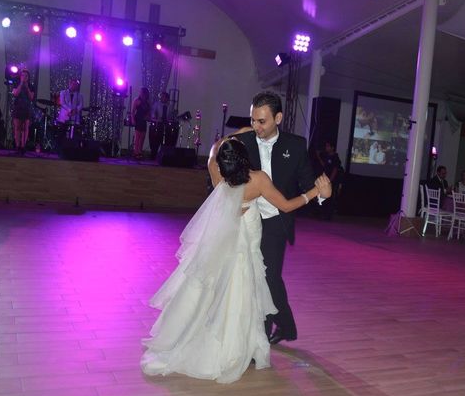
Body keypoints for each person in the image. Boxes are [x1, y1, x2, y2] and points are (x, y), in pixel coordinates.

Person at [141, 137, 331, 383]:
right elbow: (285, 206)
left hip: (226, 247)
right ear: (244, 159)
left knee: (219, 290)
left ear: (223, 163)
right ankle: (239, 344)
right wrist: (316, 192)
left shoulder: (218, 176)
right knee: (243, 291)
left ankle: (216, 337)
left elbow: (211, 153)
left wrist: (223, 142)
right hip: (248, 246)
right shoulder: (258, 180)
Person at [235, 91, 319, 345]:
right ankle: (281, 329)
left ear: (278, 118)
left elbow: (307, 182)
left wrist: (321, 194)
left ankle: (260, 339)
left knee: (268, 277)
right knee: (247, 277)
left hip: (274, 221)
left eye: (262, 121)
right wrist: (228, 203)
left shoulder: (295, 145)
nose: (256, 127)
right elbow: (219, 171)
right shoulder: (243, 141)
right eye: (253, 120)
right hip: (246, 220)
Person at [11, 69, 34, 155]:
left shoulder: (31, 86)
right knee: (17, 127)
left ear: (28, 77)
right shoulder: (16, 84)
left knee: (25, 128)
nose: (24, 77)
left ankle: (23, 146)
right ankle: (17, 146)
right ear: (20, 77)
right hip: (18, 107)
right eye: (22, 75)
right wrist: (21, 84)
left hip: (27, 108)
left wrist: (27, 87)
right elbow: (15, 94)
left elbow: (31, 97)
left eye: (26, 76)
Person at [131, 87, 151, 160]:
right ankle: (135, 152)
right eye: (140, 92)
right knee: (137, 137)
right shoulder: (137, 100)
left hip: (143, 121)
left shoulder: (147, 103)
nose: (140, 93)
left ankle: (140, 151)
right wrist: (133, 120)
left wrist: (148, 117)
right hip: (138, 119)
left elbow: (149, 113)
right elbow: (133, 111)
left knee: (142, 137)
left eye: (142, 92)